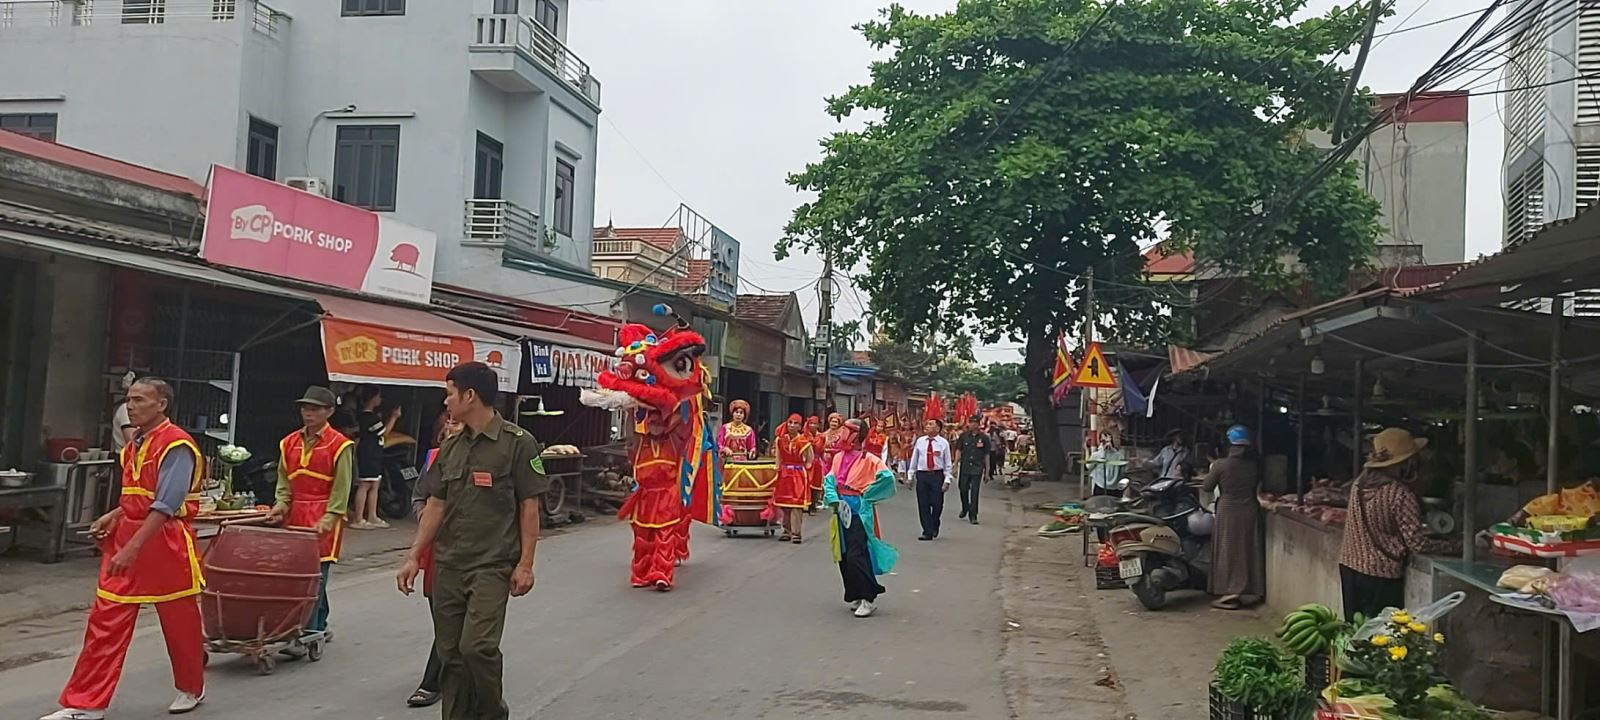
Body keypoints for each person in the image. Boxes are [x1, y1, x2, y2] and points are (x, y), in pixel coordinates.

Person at [43, 378, 205, 720]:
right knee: (106, 619)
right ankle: (87, 704)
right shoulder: (134, 444)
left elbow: (166, 504)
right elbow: (138, 496)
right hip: (130, 536)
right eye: (129, 400)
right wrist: (114, 515)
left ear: (161, 404)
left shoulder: (176, 444)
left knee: (180, 623)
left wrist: (131, 547)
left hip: (165, 541)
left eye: (140, 400)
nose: (131, 406)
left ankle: (191, 686)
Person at [397, 362, 548, 720]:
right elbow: (436, 505)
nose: (446, 402)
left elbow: (530, 509)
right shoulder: (451, 447)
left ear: (469, 396)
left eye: (450, 394)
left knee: (477, 647)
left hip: (492, 565)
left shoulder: (517, 444)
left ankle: (492, 712)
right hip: (450, 564)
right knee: (450, 655)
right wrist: (414, 556)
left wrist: (526, 564)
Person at [266, 386, 353, 649]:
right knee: (298, 575)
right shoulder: (288, 442)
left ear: (329, 412)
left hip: (323, 514)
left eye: (315, 409)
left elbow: (342, 486)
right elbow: (284, 481)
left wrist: (330, 517)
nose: (308, 413)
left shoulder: (340, 445)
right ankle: (319, 624)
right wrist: (280, 505)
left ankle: (310, 630)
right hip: (295, 514)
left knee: (316, 576)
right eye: (305, 408)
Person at [1338, 427, 1454, 622]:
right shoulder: (1400, 494)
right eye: (1414, 460)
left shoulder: (1359, 484)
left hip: (1349, 567)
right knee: (1382, 636)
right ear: (1405, 463)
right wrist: (1456, 546)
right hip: (1379, 575)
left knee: (1355, 630)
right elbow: (1418, 544)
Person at [407, 415, 462, 709]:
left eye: (459, 425)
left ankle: (432, 682)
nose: (452, 429)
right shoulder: (433, 459)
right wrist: (424, 518)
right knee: (443, 615)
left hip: (473, 546)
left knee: (455, 618)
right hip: (436, 546)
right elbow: (419, 498)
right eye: (448, 425)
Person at [822, 418, 898, 617]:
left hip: (859, 509)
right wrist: (833, 498)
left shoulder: (870, 460)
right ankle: (855, 592)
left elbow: (887, 478)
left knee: (857, 553)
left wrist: (868, 494)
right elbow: (829, 479)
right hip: (841, 507)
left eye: (847, 430)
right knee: (844, 554)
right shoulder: (839, 457)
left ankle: (868, 596)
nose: (843, 434)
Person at [1202, 425, 1264, 610]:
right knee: (1247, 550)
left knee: (1227, 550)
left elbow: (1206, 486)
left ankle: (1229, 592)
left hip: (1228, 510)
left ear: (1229, 445)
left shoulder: (1221, 465)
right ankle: (1246, 590)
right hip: (1250, 510)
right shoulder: (1254, 466)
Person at [351, 386, 391, 530]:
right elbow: (384, 433)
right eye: (378, 397)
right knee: (365, 484)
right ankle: (358, 518)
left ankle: (372, 516)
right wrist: (394, 417)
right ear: (373, 399)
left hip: (375, 453)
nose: (380, 399)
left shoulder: (371, 416)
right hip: (368, 453)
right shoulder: (368, 417)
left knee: (375, 485)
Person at [908, 418, 953, 541]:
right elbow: (914, 459)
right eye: (927, 424)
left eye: (930, 424)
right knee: (923, 504)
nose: (927, 426)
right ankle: (927, 531)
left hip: (937, 475)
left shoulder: (943, 443)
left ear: (938, 428)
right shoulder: (920, 441)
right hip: (922, 475)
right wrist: (910, 476)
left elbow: (947, 463)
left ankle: (934, 524)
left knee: (937, 503)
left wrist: (947, 480)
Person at [772, 414, 812, 544]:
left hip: (798, 474)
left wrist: (806, 469)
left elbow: (810, 459)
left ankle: (796, 533)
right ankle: (786, 530)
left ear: (800, 426)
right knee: (784, 504)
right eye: (790, 423)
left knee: (796, 505)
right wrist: (777, 470)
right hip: (784, 473)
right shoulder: (780, 440)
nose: (792, 426)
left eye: (796, 423)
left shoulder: (803, 441)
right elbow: (778, 457)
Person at [952, 416, 990, 525]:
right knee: (963, 489)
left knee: (975, 491)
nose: (972, 424)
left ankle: (973, 515)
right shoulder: (963, 436)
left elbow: (987, 455)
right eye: (971, 422)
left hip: (977, 468)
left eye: (974, 422)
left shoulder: (984, 438)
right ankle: (965, 507)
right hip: (965, 467)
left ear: (978, 424)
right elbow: (958, 451)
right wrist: (955, 465)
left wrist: (987, 472)